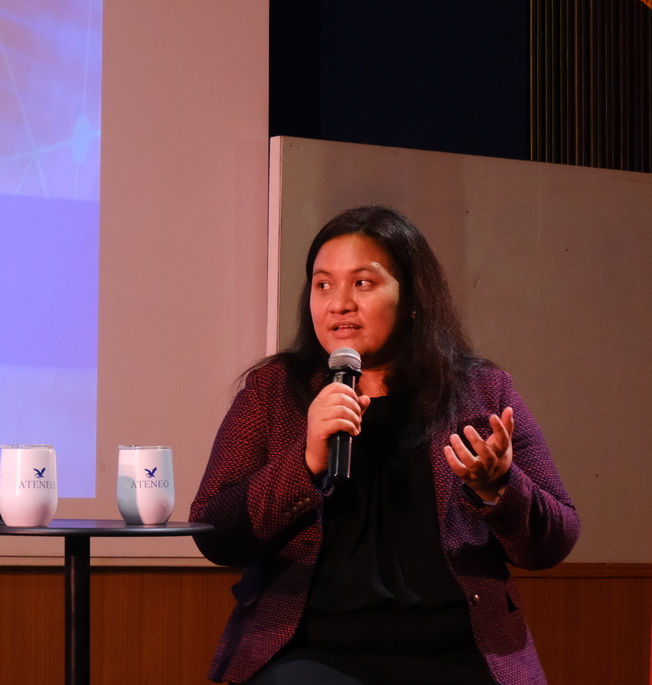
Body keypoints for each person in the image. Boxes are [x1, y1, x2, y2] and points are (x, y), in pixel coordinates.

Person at [189, 205, 579, 685]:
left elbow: (554, 539)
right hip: (311, 651)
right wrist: (305, 462)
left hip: (456, 648)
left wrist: (499, 488)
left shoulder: (481, 392)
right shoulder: (274, 391)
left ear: (412, 297)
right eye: (323, 284)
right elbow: (216, 532)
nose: (339, 304)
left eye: (363, 283)